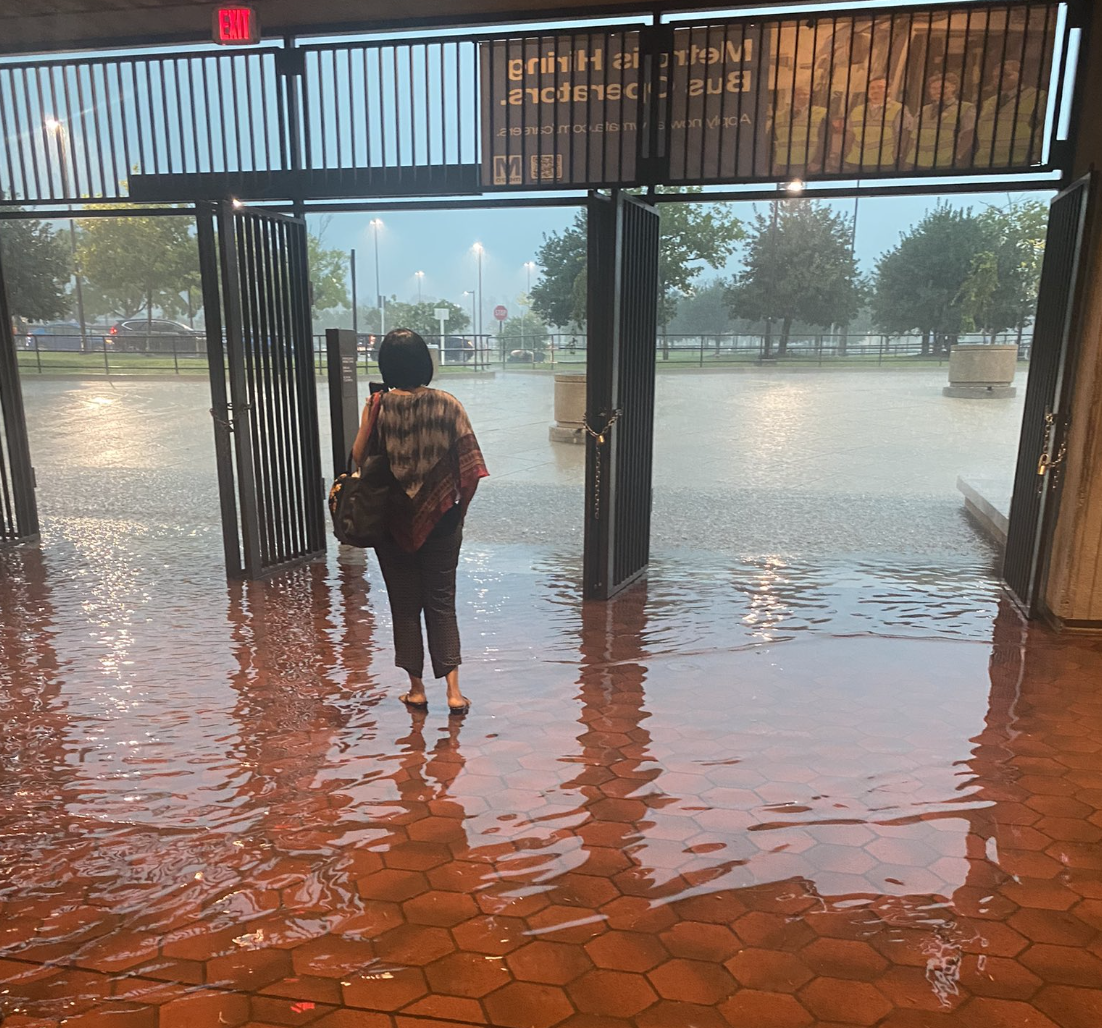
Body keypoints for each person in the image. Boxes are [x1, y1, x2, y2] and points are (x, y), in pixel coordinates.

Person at [352, 328, 489, 715]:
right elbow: (472, 468)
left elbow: (359, 456)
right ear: (424, 362)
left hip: (390, 521)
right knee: (442, 603)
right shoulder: (448, 405)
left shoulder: (378, 405)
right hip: (443, 519)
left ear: (386, 365)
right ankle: (454, 692)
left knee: (404, 604)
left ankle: (415, 690)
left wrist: (372, 413)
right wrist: (457, 511)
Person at [974, 60, 1046, 168]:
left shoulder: (1038, 97)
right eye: (995, 76)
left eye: (1006, 74)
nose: (999, 79)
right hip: (984, 163)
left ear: (1022, 74)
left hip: (1019, 161)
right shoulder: (989, 102)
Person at [843, 76, 913, 172]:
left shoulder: (899, 109)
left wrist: (896, 155)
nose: (875, 91)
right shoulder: (857, 110)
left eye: (880, 87)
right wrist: (847, 152)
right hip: (855, 161)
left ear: (888, 90)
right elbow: (849, 134)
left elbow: (904, 136)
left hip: (884, 163)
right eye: (872, 88)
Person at [907, 71, 976, 170]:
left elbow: (969, 135)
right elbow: (913, 137)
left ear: (953, 87)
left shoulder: (966, 108)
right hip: (918, 163)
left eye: (943, 87)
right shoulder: (923, 110)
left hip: (945, 163)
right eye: (934, 88)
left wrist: (958, 156)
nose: (938, 91)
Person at [772, 85, 829, 176]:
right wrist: (771, 162)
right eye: (798, 94)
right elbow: (771, 140)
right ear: (793, 96)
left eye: (805, 94)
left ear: (810, 96)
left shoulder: (821, 113)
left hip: (808, 163)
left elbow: (825, 139)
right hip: (783, 163)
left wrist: (818, 161)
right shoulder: (780, 116)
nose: (802, 96)